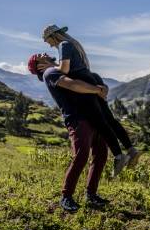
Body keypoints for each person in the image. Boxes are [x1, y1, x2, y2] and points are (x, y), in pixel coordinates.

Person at [40, 25, 141, 175]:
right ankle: (131, 150)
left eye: (47, 40)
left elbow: (65, 70)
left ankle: (119, 156)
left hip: (84, 83)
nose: (48, 44)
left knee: (100, 122)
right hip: (90, 78)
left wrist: (51, 66)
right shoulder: (74, 44)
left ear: (53, 36)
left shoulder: (63, 45)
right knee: (109, 119)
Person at [28, 54, 111, 212]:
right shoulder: (50, 73)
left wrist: (102, 87)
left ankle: (91, 195)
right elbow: (73, 85)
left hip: (93, 116)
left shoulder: (63, 69)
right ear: (39, 67)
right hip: (78, 119)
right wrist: (97, 89)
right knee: (81, 155)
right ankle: (66, 197)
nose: (43, 54)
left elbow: (91, 80)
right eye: (39, 56)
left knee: (101, 154)